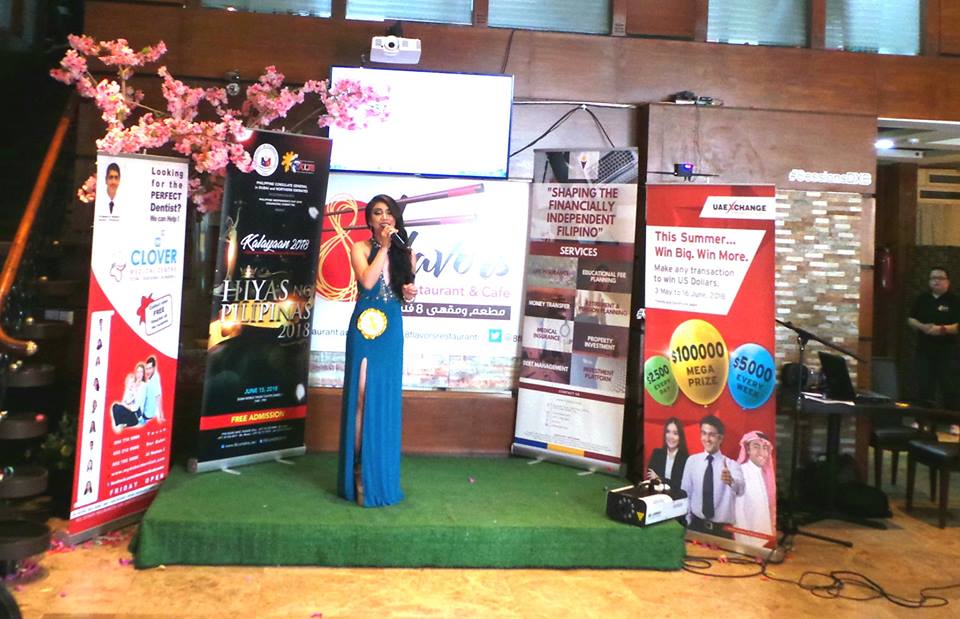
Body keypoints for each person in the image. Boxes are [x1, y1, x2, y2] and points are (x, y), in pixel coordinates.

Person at [338, 194, 417, 507]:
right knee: (361, 395)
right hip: (363, 325)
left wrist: (409, 292)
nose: (384, 217)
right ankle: (358, 466)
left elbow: (405, 294)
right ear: (369, 220)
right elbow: (368, 283)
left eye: (388, 213)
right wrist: (383, 247)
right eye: (377, 213)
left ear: (396, 218)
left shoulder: (407, 253)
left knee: (383, 396)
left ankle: (379, 470)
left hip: (391, 328)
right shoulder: (359, 248)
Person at [908, 266, 960, 434]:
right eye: (933, 278)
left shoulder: (954, 300)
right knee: (923, 385)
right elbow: (911, 319)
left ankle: (955, 423)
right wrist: (922, 327)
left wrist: (942, 329)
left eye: (940, 278)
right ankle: (921, 421)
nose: (936, 281)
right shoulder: (922, 299)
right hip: (924, 349)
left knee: (949, 386)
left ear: (948, 281)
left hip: (947, 350)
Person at [680, 414, 744, 539]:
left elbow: (741, 489)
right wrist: (687, 521)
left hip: (722, 532)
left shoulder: (731, 465)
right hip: (695, 526)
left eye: (712, 435)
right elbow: (686, 493)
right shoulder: (692, 461)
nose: (707, 439)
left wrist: (731, 481)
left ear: (720, 438)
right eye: (704, 433)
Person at [733, 431, 776, 547]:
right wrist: (744, 544)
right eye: (756, 447)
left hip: (763, 540)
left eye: (765, 448)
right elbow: (738, 513)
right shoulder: (740, 472)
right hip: (748, 541)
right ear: (748, 450)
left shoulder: (764, 474)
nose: (761, 452)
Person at [646, 417, 689, 488]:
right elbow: (650, 477)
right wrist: (662, 480)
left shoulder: (686, 459)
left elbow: (680, 484)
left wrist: (660, 478)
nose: (671, 437)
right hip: (656, 493)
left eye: (675, 433)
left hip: (676, 494)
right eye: (668, 432)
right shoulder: (657, 453)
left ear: (680, 437)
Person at [142, 356, 163, 423]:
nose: (148, 371)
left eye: (150, 368)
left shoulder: (154, 379)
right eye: (147, 368)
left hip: (148, 414)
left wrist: (160, 414)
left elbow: (158, 396)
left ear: (154, 368)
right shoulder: (152, 376)